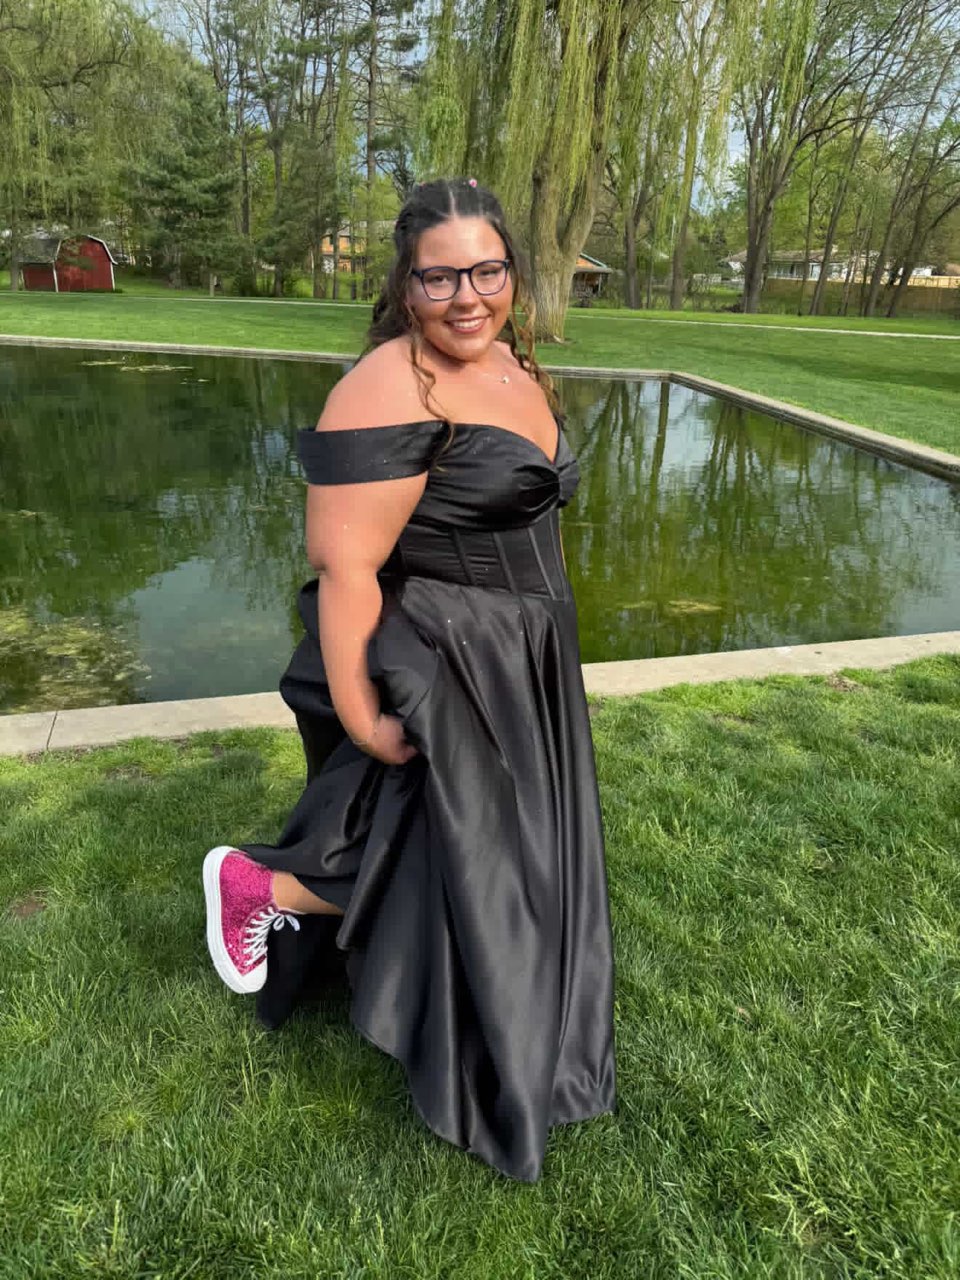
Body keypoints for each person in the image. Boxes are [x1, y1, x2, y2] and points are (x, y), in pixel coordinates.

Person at [201, 177, 617, 1183]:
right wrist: (361, 711)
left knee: (498, 846)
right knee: (472, 843)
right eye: (440, 276)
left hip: (524, 652)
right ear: (405, 280)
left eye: (488, 269)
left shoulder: (513, 357)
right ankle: (260, 883)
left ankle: (325, 909)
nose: (467, 294)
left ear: (514, 272)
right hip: (446, 647)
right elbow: (345, 568)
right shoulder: (389, 385)